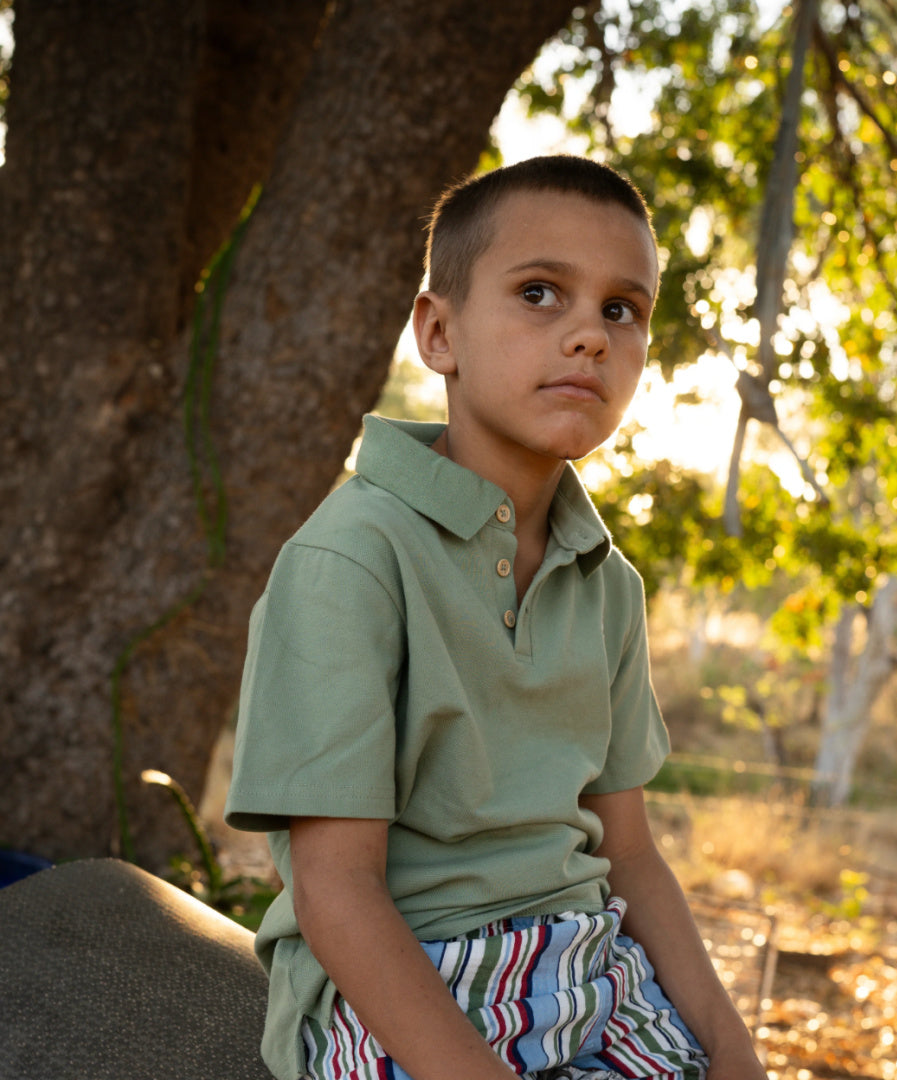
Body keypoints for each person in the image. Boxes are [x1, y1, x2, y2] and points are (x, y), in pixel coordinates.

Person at [225, 155, 768, 1080]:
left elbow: (629, 854)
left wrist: (733, 1047)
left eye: (620, 310)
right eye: (541, 293)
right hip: (410, 981)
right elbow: (336, 891)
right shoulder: (350, 562)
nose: (589, 337)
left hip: (593, 970)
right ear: (439, 332)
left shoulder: (607, 584)